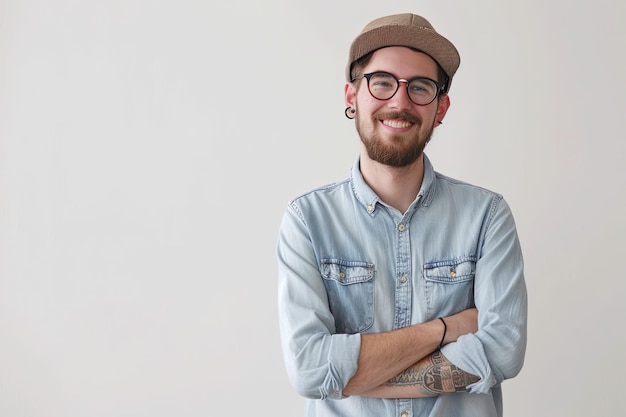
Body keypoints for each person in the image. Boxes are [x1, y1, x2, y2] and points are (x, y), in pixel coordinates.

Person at [276, 12, 527, 417]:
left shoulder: (487, 216)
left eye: (421, 87)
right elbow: (309, 369)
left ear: (440, 108)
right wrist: (445, 329)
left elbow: (503, 349)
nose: (400, 101)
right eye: (382, 82)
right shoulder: (307, 221)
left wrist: (356, 375)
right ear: (351, 96)